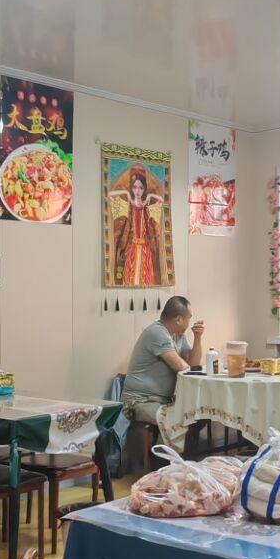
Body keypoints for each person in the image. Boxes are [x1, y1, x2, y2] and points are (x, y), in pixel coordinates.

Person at [121, 294, 205, 428]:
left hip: (161, 400)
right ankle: (167, 443)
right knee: (178, 420)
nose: (190, 322)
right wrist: (193, 368)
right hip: (140, 401)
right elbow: (181, 367)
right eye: (188, 318)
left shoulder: (177, 335)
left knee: (200, 415)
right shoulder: (157, 332)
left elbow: (193, 364)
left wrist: (198, 337)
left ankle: (180, 443)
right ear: (178, 319)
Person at [109, 165, 166, 287]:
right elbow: (110, 194)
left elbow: (162, 199)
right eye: (135, 187)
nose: (137, 191)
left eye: (141, 187)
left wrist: (150, 196)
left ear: (144, 189)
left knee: (146, 276)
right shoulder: (128, 205)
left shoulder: (147, 206)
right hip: (132, 247)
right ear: (132, 188)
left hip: (145, 248)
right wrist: (126, 193)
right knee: (131, 276)